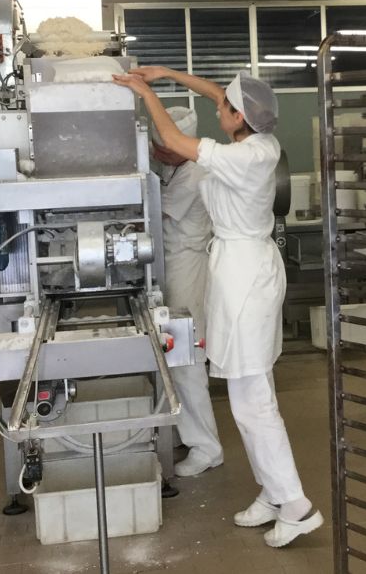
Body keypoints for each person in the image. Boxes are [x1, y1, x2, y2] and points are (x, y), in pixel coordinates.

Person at [113, 66, 323, 548]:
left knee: (254, 402)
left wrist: (144, 92)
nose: (217, 109)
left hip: (245, 276)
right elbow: (215, 94)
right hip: (242, 268)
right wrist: (167, 73)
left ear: (239, 118)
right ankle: (272, 492)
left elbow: (172, 138)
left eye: (225, 108)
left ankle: (296, 506)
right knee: (251, 394)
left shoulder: (242, 157)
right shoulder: (257, 140)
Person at [152, 106, 223, 478]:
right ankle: (186, 431)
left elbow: (154, 213)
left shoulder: (194, 173)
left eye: (163, 147)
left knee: (186, 360)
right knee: (173, 359)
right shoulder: (175, 166)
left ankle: (206, 448)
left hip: (187, 271)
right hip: (171, 269)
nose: (157, 152)